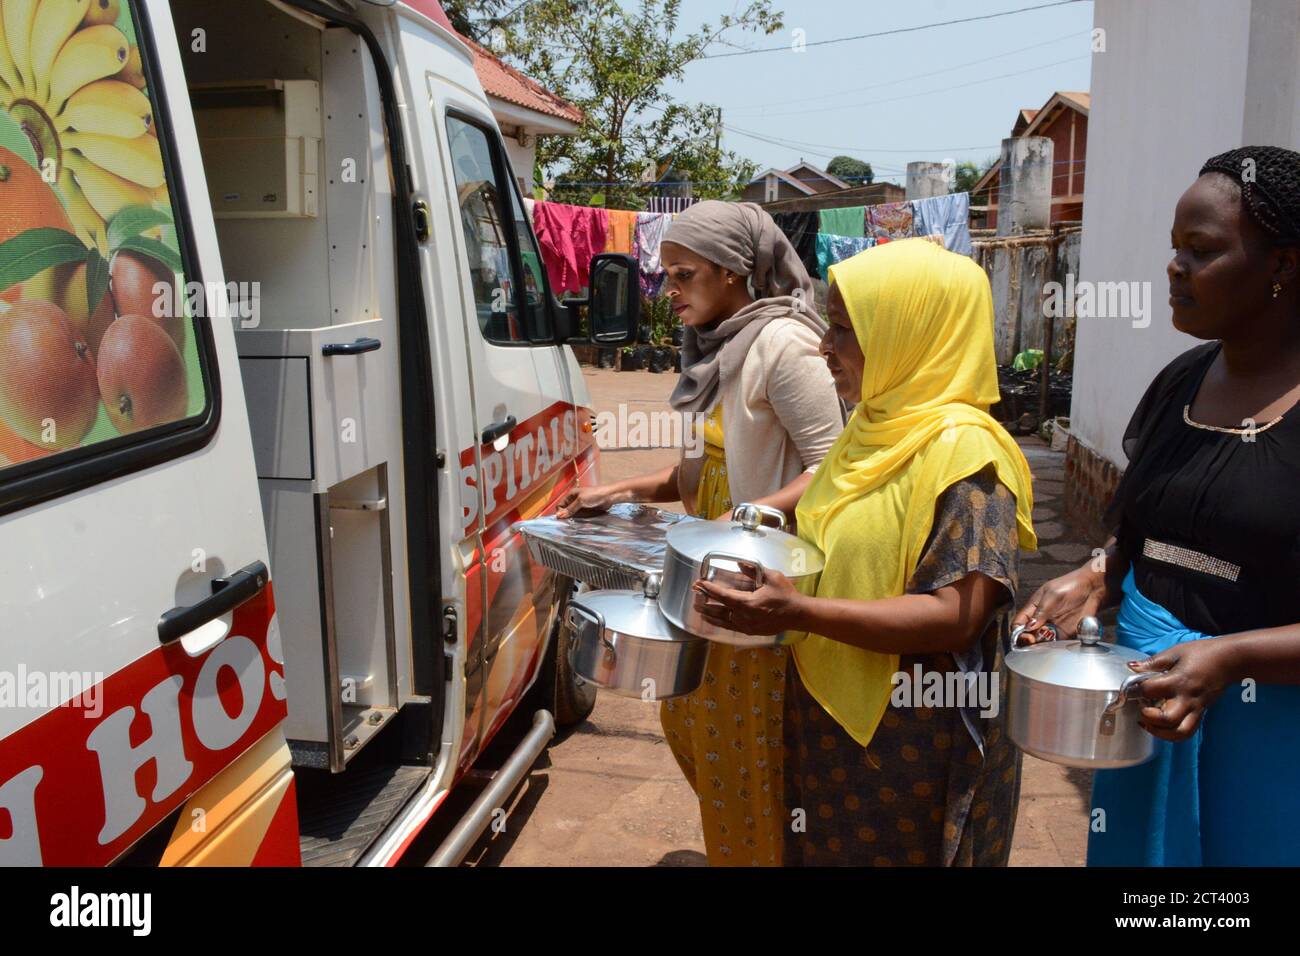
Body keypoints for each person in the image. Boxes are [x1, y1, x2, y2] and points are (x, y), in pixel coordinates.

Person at [695, 238, 1037, 866]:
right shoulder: (872, 425)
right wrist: (769, 529)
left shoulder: (968, 460)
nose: (825, 346)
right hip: (833, 712)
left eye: (846, 329)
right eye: (829, 324)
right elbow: (831, 513)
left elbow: (956, 616)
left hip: (915, 735)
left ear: (911, 333)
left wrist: (800, 613)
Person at [1011, 146, 1300, 866]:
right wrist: (1100, 574)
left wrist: (1233, 658)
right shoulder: (1181, 382)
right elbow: (1147, 531)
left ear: (1283, 266)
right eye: (1174, 248)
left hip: (1272, 729)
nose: (1175, 267)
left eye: (1200, 251)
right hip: (1152, 707)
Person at [557, 201, 844, 865]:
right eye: (665, 276)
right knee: (686, 719)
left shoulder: (785, 346)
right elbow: (704, 463)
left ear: (734, 271)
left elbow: (838, 471)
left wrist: (741, 521)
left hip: (750, 587)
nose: (669, 291)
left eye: (685, 274)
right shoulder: (715, 346)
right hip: (700, 575)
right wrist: (622, 489)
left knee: (742, 756)